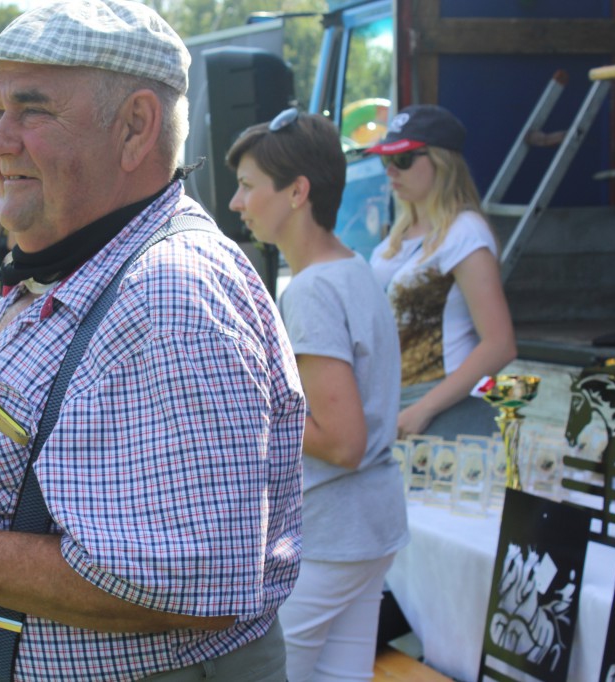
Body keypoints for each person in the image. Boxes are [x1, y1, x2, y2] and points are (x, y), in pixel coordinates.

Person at [0, 2, 305, 680]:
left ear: (135, 127)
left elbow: (200, 578)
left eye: (32, 111)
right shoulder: (80, 260)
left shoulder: (170, 287)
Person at [227, 110, 408, 681]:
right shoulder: (354, 268)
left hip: (331, 536)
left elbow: (343, 442)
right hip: (367, 529)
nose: (237, 202)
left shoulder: (311, 290)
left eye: (249, 185)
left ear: (297, 192)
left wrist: (248, 402)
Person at [367, 104, 517, 439]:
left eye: (402, 160)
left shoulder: (465, 232)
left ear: (441, 161)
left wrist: (422, 411)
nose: (391, 171)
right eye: (385, 160)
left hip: (448, 416)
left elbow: (500, 344)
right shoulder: (396, 237)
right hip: (398, 410)